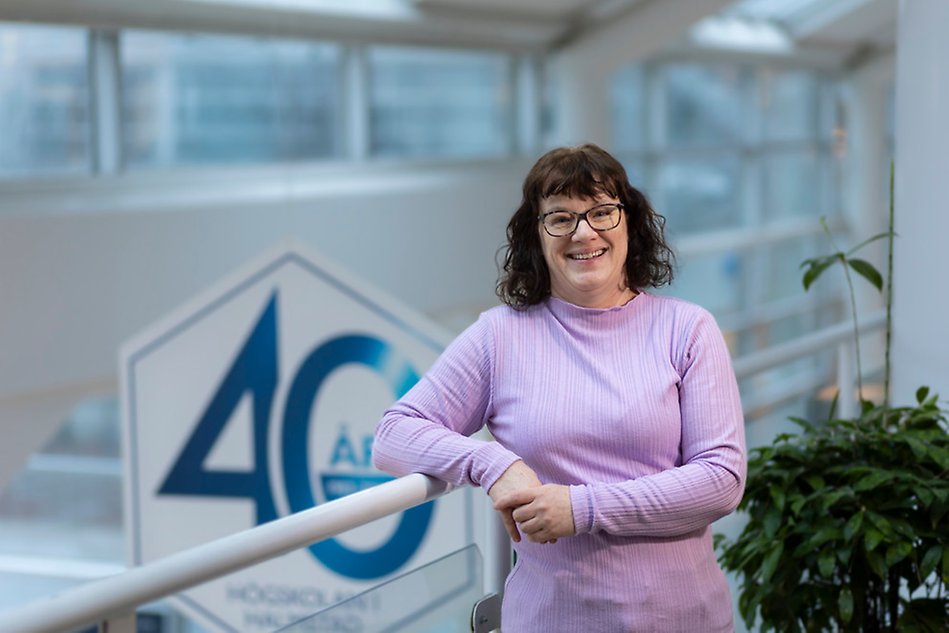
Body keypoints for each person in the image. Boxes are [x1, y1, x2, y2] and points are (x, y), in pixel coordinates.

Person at [373, 143, 746, 632]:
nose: (584, 232)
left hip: (681, 618)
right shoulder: (499, 336)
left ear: (629, 222)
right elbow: (393, 434)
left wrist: (581, 508)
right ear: (537, 235)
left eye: (601, 212)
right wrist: (493, 464)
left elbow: (721, 479)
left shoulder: (688, 329)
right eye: (561, 218)